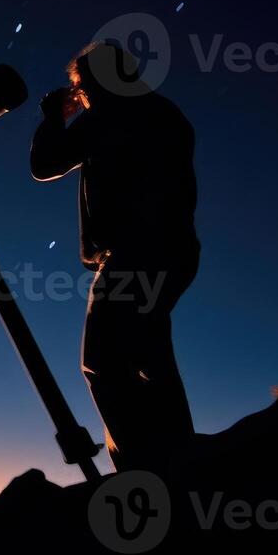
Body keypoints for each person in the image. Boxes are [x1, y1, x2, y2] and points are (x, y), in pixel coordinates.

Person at [30, 41, 200, 475]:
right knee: (149, 358)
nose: (81, 92)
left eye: (83, 84)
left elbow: (45, 164)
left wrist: (54, 117)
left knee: (105, 364)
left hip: (133, 255)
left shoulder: (111, 115)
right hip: (173, 250)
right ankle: (180, 462)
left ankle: (142, 476)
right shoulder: (163, 112)